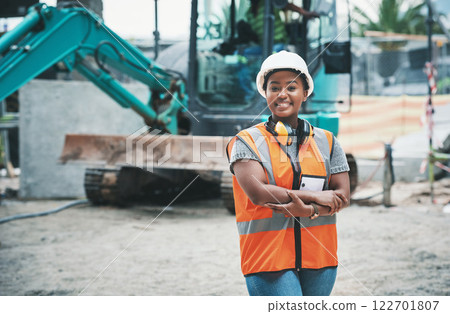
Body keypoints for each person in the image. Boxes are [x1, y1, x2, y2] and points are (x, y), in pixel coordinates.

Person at [226, 50, 350, 296]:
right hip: (268, 259)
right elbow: (259, 194)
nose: (282, 94)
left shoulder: (327, 141)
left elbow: (343, 195)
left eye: (291, 87)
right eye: (274, 87)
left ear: (305, 93)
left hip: (320, 259)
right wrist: (317, 198)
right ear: (266, 93)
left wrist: (309, 211)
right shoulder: (246, 141)